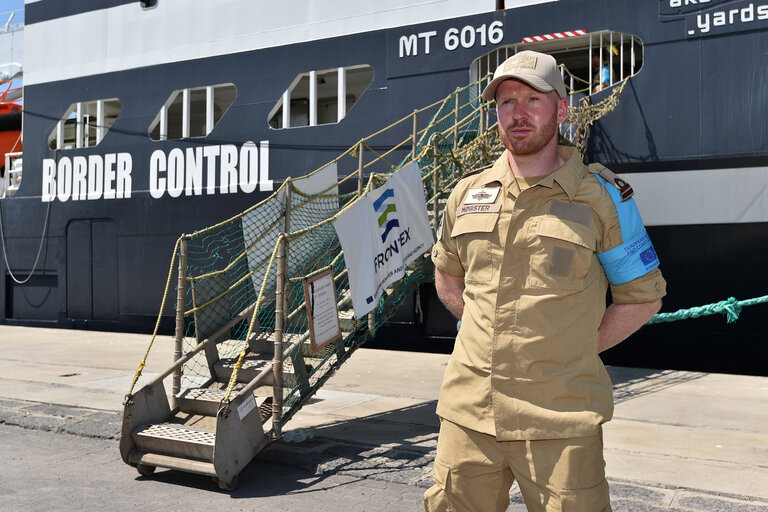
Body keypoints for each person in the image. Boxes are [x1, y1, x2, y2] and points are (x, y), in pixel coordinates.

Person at [425, 50, 666, 512]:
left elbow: (641, 299)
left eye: (533, 100)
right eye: (506, 102)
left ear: (561, 109)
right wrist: (488, 333)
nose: (517, 113)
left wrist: (567, 348)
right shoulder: (467, 193)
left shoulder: (603, 199)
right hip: (468, 415)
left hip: (562, 419)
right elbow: (448, 278)